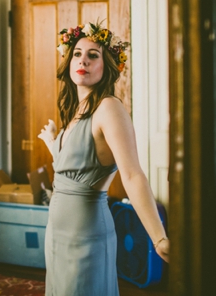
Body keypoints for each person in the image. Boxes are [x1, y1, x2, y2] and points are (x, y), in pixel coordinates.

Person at [38, 22, 169, 296]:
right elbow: (77, 168)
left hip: (85, 235)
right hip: (56, 233)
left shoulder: (109, 108)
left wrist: (158, 237)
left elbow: (132, 175)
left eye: (93, 55)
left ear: (106, 66)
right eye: (76, 53)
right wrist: (55, 142)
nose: (82, 59)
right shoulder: (75, 112)